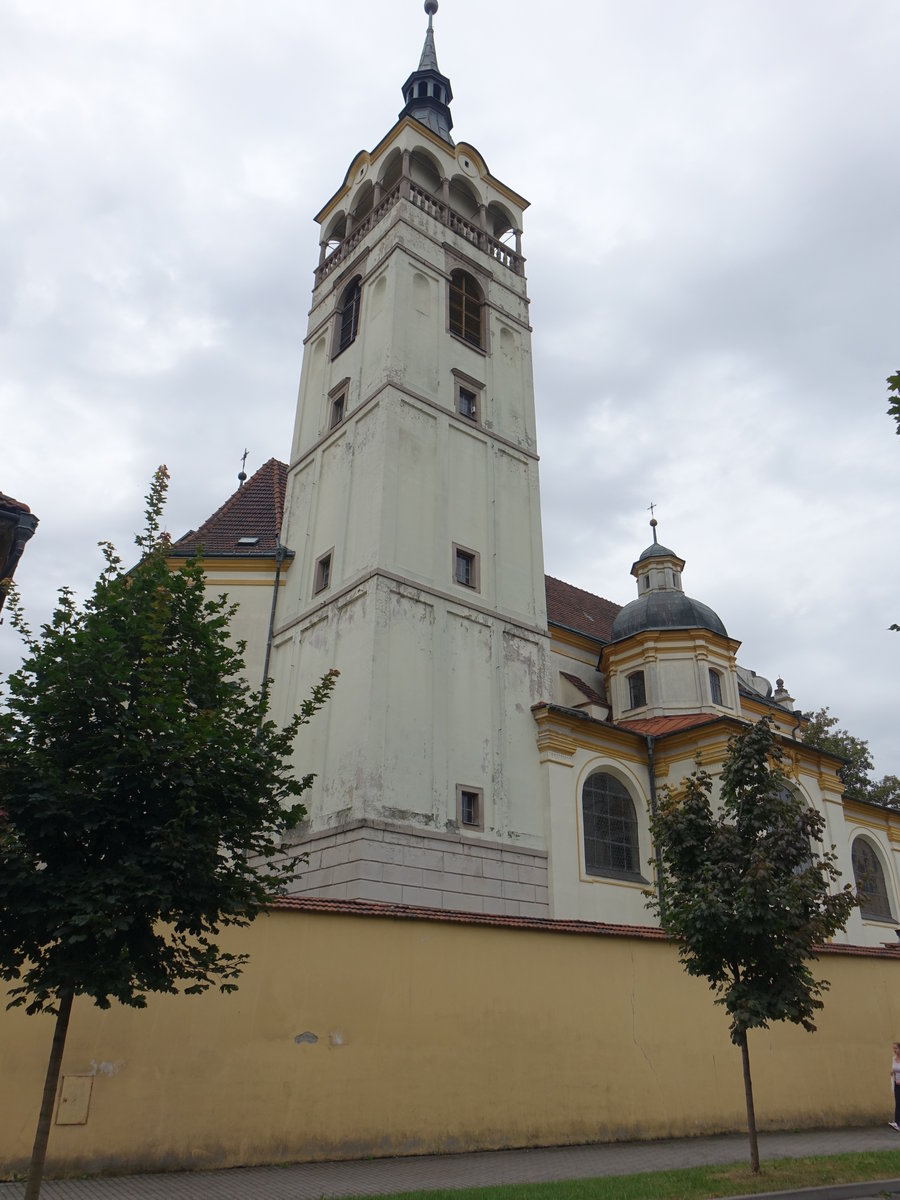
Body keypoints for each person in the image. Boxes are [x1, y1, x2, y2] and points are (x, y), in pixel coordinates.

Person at [890, 1043, 900, 1131]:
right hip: (896, 1083)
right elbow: (894, 1069)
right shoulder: (893, 1058)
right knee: (897, 1103)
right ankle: (897, 1122)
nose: (894, 1050)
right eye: (893, 1048)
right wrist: (892, 1072)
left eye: (896, 1048)